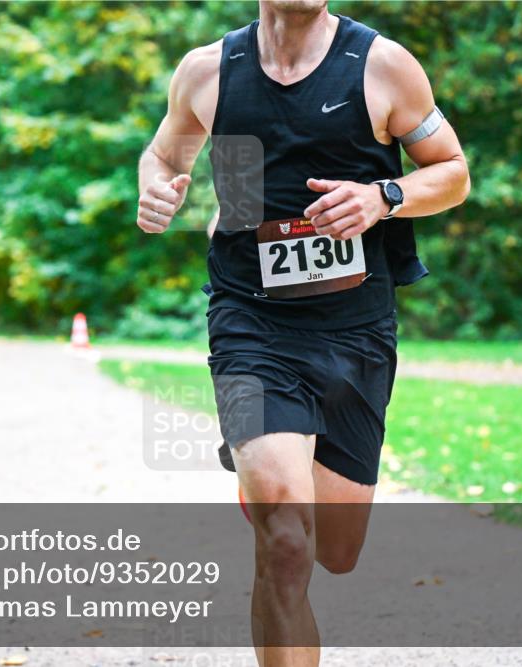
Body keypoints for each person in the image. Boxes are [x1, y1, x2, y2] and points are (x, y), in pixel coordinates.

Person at [136, 2, 469, 665]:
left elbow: (452, 172)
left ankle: (261, 467)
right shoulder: (208, 71)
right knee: (286, 541)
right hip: (249, 320)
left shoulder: (382, 65)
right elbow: (163, 152)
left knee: (336, 549)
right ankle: (264, 462)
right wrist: (156, 189)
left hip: (355, 326)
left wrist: (385, 197)